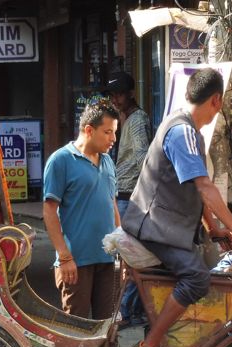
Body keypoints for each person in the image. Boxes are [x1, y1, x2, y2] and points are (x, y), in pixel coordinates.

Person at [122, 68, 232, 347]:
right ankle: (148, 346)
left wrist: (215, 230)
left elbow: (197, 191)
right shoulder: (182, 132)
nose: (218, 110)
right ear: (216, 100)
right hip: (154, 227)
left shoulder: (189, 132)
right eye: (220, 105)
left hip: (171, 229)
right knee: (197, 278)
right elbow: (204, 187)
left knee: (205, 287)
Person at [42, 99, 144, 347]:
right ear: (89, 129)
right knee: (72, 327)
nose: (114, 139)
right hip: (76, 262)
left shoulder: (108, 162)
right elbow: (49, 209)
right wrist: (65, 255)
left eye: (115, 132)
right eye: (108, 133)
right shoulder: (61, 160)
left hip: (106, 261)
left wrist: (122, 247)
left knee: (105, 328)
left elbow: (112, 206)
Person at [106, 72, 152, 328]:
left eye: (119, 94)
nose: (115, 99)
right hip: (121, 194)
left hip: (129, 195)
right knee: (126, 257)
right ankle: (128, 310)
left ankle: (126, 310)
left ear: (130, 94)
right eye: (112, 95)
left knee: (132, 257)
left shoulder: (136, 120)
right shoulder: (123, 118)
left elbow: (143, 157)